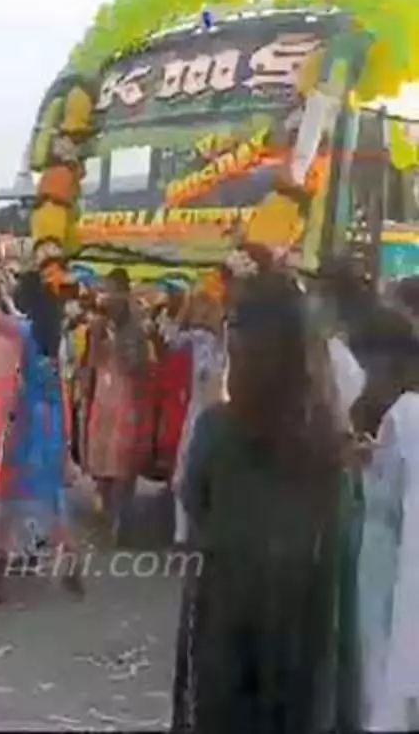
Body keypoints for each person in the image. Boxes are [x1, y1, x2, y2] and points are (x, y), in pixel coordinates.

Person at [171, 268, 360, 733]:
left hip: (225, 614)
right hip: (302, 623)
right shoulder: (329, 442)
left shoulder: (216, 429)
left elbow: (193, 498)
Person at [346, 307, 419, 730]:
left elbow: (384, 495)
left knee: (380, 656)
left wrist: (362, 466)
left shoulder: (403, 414)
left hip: (386, 557)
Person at [0, 270, 83, 595]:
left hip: (29, 419)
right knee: (52, 496)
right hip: (53, 420)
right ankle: (71, 563)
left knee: (10, 495)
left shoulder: (25, 331)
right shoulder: (56, 337)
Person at [82, 267, 149, 545]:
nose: (107, 297)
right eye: (106, 291)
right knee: (102, 465)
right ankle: (107, 517)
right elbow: (91, 363)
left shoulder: (135, 328)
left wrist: (116, 344)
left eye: (112, 291)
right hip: (103, 400)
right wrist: (96, 339)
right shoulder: (99, 326)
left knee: (122, 463)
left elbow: (138, 366)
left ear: (124, 293)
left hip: (126, 400)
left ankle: (121, 521)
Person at [166, 289, 226, 546]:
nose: (201, 316)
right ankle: (182, 535)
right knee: (185, 472)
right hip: (201, 410)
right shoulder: (200, 339)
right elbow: (171, 339)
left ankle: (196, 533)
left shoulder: (224, 340)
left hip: (217, 410)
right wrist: (182, 311)